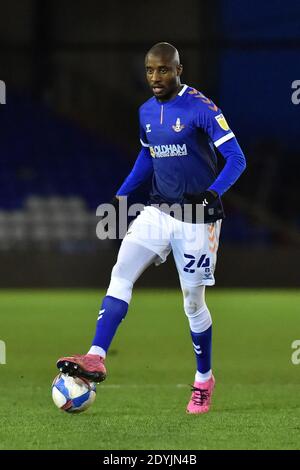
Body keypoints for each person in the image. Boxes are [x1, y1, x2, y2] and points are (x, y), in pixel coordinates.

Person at [57, 42, 246, 414]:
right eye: (149, 70)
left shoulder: (200, 108)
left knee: (193, 304)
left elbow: (237, 158)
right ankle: (96, 356)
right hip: (158, 211)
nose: (155, 78)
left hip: (197, 219)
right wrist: (122, 196)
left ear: (179, 70)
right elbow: (148, 154)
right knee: (121, 272)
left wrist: (212, 193)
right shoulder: (145, 111)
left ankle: (204, 378)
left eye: (163, 70)